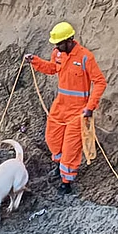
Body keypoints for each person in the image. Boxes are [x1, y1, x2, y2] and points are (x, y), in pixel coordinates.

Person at [24, 22, 107, 195]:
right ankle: (60, 167)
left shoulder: (85, 57)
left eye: (60, 43)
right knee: (52, 139)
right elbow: (52, 68)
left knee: (71, 148)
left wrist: (90, 107)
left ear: (70, 40)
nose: (57, 46)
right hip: (60, 106)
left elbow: (99, 82)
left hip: (78, 111)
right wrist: (36, 62)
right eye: (56, 44)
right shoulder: (58, 54)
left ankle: (66, 181)